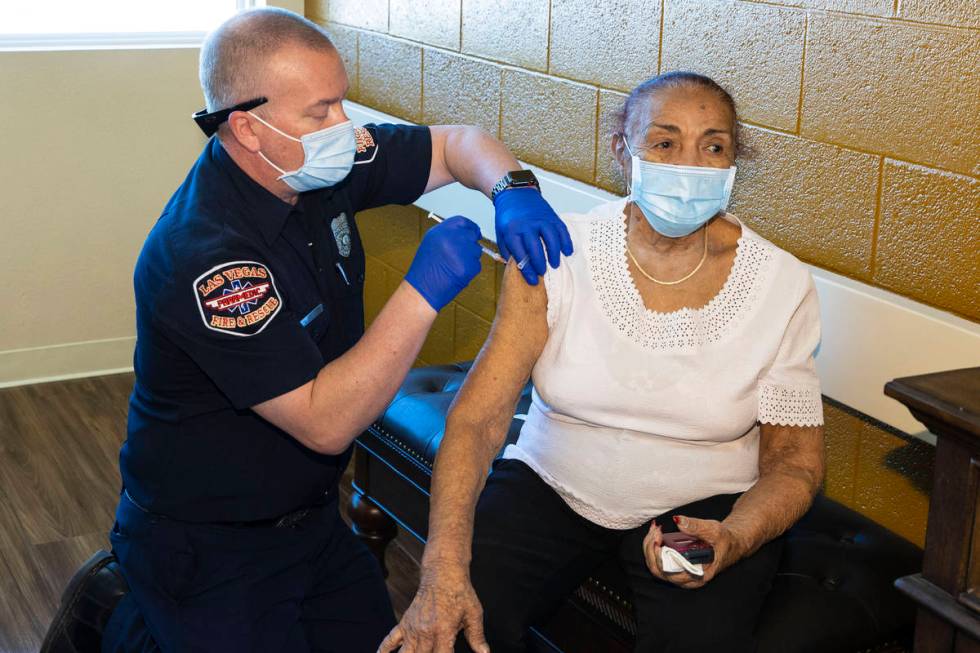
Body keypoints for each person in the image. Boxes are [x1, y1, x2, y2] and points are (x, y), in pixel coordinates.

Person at [101, 7, 571, 653]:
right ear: (248, 127)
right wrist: (423, 290)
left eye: (341, 102)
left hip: (313, 520)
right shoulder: (208, 258)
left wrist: (513, 188)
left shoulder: (314, 165)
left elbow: (454, 143)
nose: (343, 127)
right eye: (320, 111)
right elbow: (324, 418)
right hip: (209, 545)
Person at [381, 71, 826, 653]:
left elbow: (794, 464)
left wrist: (733, 536)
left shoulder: (781, 284)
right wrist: (441, 567)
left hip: (703, 507)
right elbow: (478, 421)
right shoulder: (557, 248)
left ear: (734, 161)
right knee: (460, 626)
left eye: (713, 146)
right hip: (551, 480)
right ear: (623, 150)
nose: (689, 165)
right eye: (664, 143)